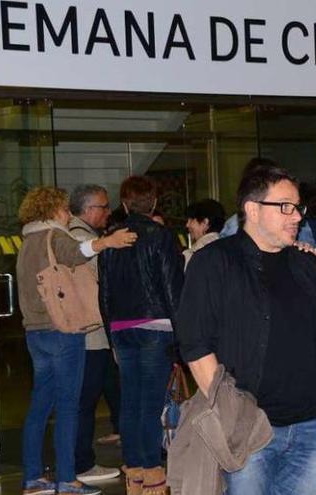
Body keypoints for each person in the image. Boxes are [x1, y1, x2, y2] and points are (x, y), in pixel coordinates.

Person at [178, 165, 316, 495]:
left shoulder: (306, 263)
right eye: (285, 207)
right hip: (251, 430)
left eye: (298, 207)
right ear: (252, 209)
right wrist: (234, 418)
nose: (296, 216)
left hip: (311, 425)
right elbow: (195, 345)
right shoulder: (214, 261)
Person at [16, 186, 136, 495]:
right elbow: (78, 252)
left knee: (40, 405)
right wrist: (107, 242)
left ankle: (32, 478)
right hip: (63, 330)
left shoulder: (27, 242)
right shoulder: (54, 237)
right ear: (53, 209)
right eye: (65, 209)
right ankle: (67, 479)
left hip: (35, 333)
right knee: (69, 406)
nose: (68, 214)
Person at [98, 176, 185, 495]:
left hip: (122, 328)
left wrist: (112, 335)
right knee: (150, 405)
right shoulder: (162, 236)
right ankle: (152, 475)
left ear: (123, 204)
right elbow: (173, 288)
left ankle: (134, 471)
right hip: (156, 327)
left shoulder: (110, 239)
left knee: (131, 402)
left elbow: (104, 293)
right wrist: (182, 335)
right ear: (155, 203)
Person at [67, 185, 122, 484]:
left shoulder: (77, 236)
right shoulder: (82, 240)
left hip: (86, 334)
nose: (107, 212)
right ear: (88, 210)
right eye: (103, 206)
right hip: (90, 334)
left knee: (84, 400)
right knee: (84, 402)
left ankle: (78, 461)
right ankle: (81, 464)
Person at [183, 198, 226, 268]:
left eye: (191, 220)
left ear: (205, 222)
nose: (187, 225)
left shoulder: (192, 254)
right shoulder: (229, 249)